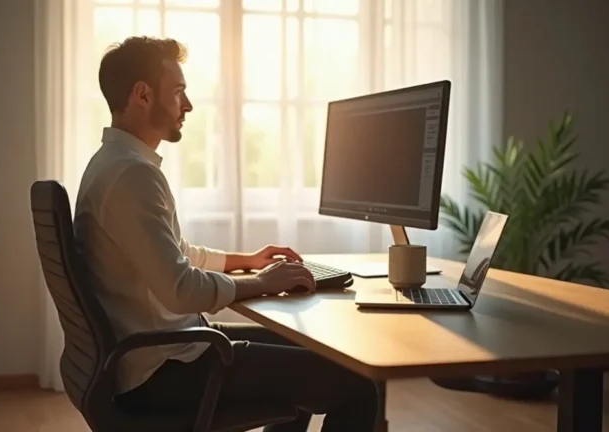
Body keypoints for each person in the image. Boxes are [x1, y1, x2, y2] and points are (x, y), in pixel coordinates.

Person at [73, 36, 379, 431]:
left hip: (160, 354)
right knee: (359, 386)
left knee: (310, 351)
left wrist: (245, 261)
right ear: (143, 95)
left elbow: (176, 254)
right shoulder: (132, 174)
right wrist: (261, 281)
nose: (188, 105)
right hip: (164, 371)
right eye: (179, 92)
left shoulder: (113, 165)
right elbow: (181, 289)